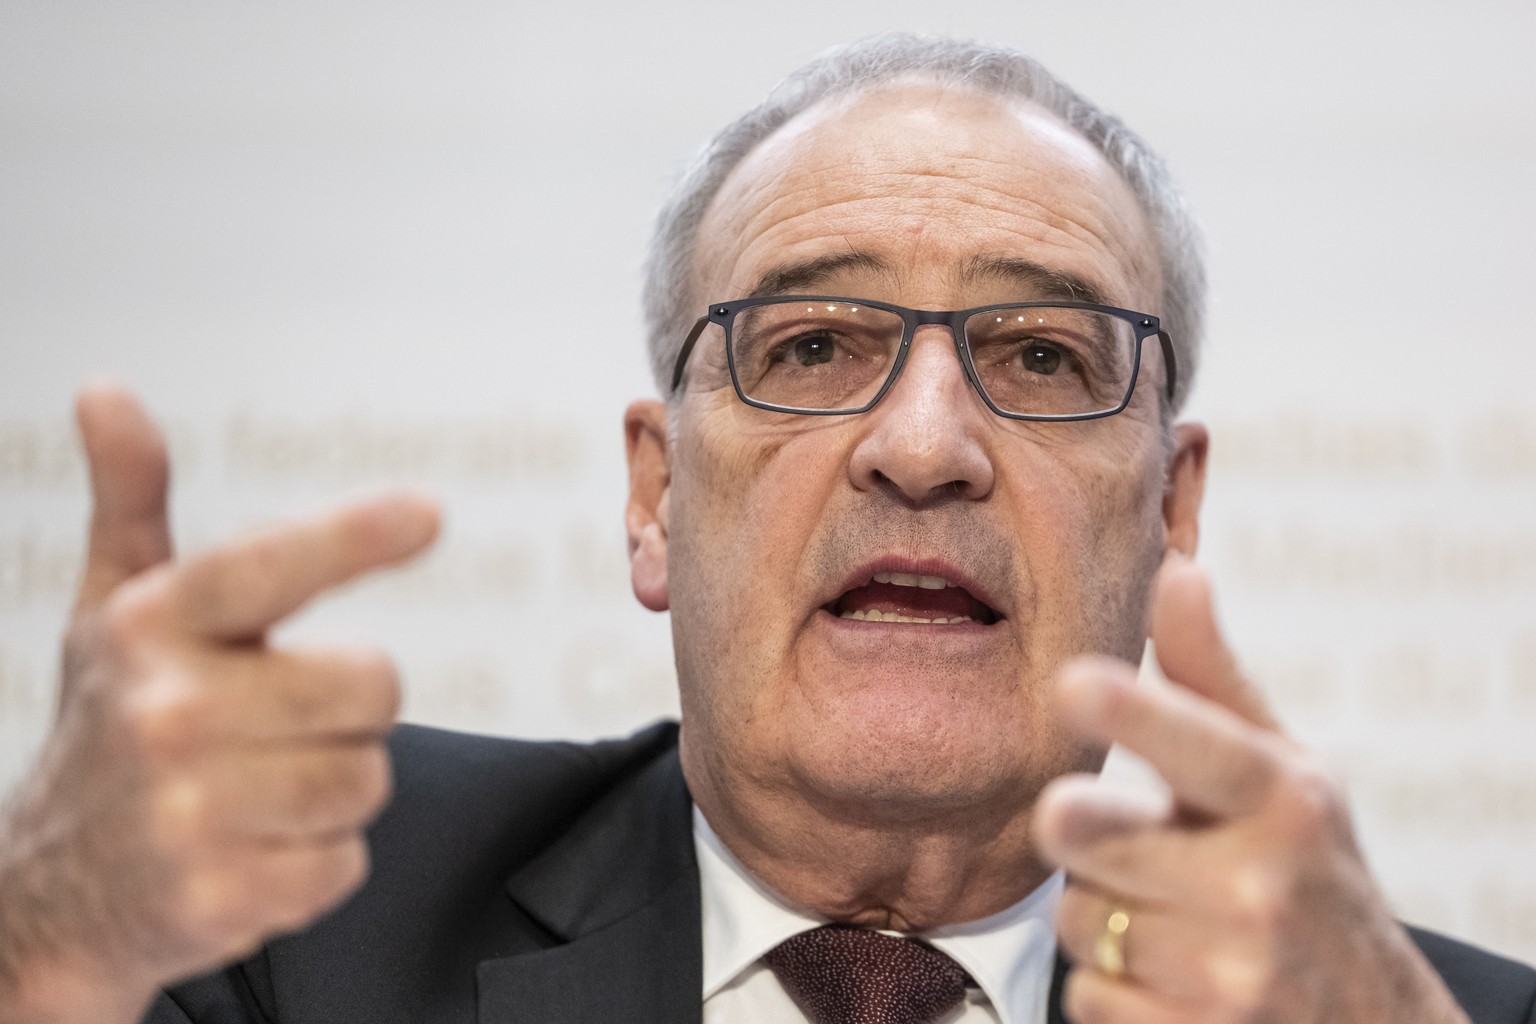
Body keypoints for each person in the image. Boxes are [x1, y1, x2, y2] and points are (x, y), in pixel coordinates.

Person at [2, 32, 1533, 1024]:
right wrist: (39, 953)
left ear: (1174, 513)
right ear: (655, 495)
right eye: (810, 347)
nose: (925, 447)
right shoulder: (298, 917)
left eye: (1041, 358)